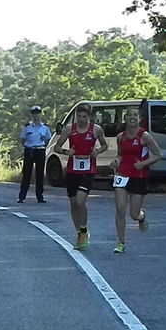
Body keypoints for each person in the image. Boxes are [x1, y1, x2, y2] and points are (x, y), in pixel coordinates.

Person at [53, 103, 108, 250]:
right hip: (72, 169)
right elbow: (56, 147)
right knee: (72, 202)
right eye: (79, 116)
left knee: (80, 200)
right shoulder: (69, 129)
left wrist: (97, 151)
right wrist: (66, 152)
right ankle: (79, 233)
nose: (81, 119)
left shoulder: (96, 130)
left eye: (84, 117)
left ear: (89, 117)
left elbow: (104, 145)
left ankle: (83, 229)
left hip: (88, 169)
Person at [111, 106, 162, 253]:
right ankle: (120, 242)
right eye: (129, 115)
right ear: (125, 118)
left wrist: (143, 164)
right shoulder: (121, 136)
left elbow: (158, 154)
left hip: (138, 175)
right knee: (120, 209)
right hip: (122, 174)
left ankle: (141, 217)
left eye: (135, 115)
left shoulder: (144, 136)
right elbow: (120, 155)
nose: (132, 118)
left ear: (139, 118)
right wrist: (116, 162)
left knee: (133, 214)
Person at [17, 105, 51, 204]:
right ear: (32, 115)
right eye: (34, 113)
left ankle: (40, 196)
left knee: (40, 175)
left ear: (40, 114)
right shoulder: (27, 127)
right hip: (30, 150)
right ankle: (22, 196)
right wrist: (29, 146)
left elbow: (47, 140)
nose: (36, 115)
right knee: (27, 174)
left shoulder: (45, 128)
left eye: (38, 113)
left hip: (40, 150)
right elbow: (22, 140)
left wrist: (41, 146)